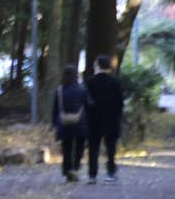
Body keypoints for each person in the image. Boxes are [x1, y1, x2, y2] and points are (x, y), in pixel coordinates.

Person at [84, 54, 125, 184]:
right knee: (111, 147)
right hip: (111, 119)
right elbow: (120, 103)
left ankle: (92, 175)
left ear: (97, 65)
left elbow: (85, 102)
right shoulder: (115, 82)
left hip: (93, 119)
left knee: (93, 148)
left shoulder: (89, 82)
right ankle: (111, 172)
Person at [52, 67, 90, 183]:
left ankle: (67, 169)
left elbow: (55, 110)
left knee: (66, 148)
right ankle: (75, 168)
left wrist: (54, 124)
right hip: (80, 123)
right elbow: (88, 104)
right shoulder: (82, 89)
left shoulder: (59, 91)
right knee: (79, 148)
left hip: (64, 124)